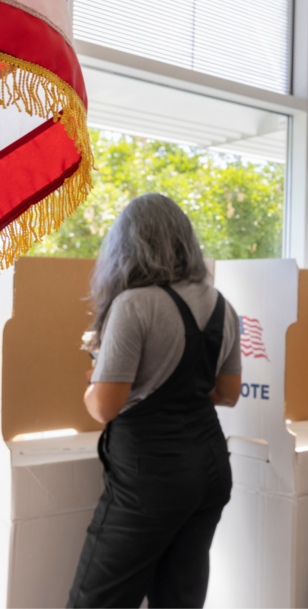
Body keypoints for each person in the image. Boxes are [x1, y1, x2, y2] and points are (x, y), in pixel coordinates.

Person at [68, 193, 242, 608]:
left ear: (128, 245)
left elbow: (105, 407)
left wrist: (96, 372)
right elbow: (228, 394)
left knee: (97, 599)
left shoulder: (134, 303)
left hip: (150, 476)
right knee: (179, 598)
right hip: (210, 470)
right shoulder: (223, 305)